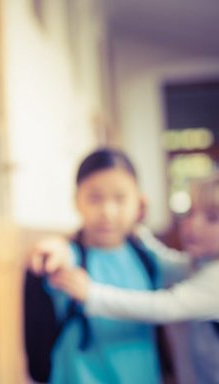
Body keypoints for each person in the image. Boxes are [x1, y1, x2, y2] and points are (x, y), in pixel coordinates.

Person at [49, 174, 219, 384]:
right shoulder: (201, 265)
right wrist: (136, 224)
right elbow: (166, 261)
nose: (193, 225)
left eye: (212, 218)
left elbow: (164, 306)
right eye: (190, 213)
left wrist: (92, 295)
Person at [27, 148, 163, 384]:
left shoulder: (149, 257)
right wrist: (53, 251)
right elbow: (56, 255)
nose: (107, 212)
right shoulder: (65, 259)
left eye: (120, 198)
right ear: (76, 201)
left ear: (139, 202)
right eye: (94, 198)